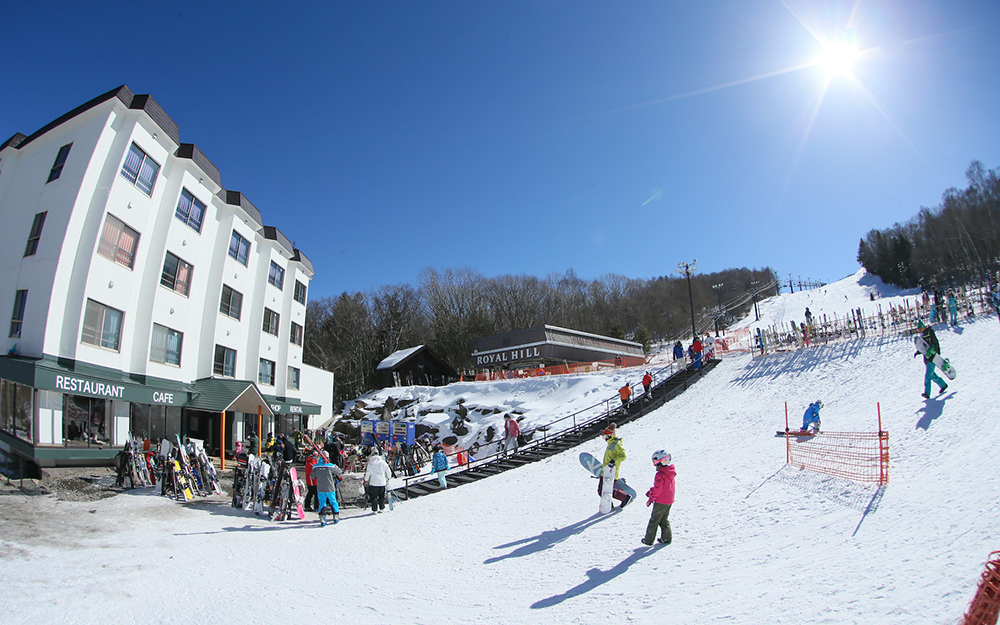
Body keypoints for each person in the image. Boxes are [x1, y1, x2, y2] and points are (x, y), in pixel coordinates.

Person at [642, 450, 676, 546]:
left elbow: (658, 488)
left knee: (654, 520)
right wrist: (651, 492)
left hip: (661, 501)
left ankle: (648, 540)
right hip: (669, 500)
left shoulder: (660, 474)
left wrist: (651, 497)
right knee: (664, 519)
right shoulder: (670, 472)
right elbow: (664, 487)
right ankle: (666, 538)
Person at [915, 320, 948, 398]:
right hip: (927, 358)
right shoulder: (923, 335)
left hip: (933, 357)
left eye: (919, 329)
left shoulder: (930, 332)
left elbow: (934, 343)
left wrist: (931, 351)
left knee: (928, 376)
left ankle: (927, 393)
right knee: (932, 375)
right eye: (918, 330)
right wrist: (918, 351)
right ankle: (943, 385)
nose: (919, 331)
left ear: (923, 327)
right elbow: (924, 347)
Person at [600, 424, 630, 508]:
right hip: (606, 471)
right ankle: (608, 504)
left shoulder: (616, 444)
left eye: (605, 436)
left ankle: (625, 497)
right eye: (603, 437)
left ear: (611, 435)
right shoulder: (610, 443)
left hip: (612, 472)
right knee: (601, 491)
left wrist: (614, 461)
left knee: (606, 490)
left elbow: (623, 456)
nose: (605, 438)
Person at [311, 452, 343, 524]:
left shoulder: (316, 466)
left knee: (322, 503)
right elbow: (340, 471)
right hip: (330, 488)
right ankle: (336, 516)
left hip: (320, 488)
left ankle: (322, 518)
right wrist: (335, 466)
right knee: (333, 502)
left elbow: (312, 476)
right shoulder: (331, 466)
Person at [364, 449, 392, 513]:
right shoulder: (382, 462)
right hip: (382, 482)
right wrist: (388, 477)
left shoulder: (371, 463)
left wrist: (366, 480)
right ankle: (381, 508)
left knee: (374, 496)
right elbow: (388, 470)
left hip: (373, 482)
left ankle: (374, 509)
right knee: (381, 496)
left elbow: (368, 472)